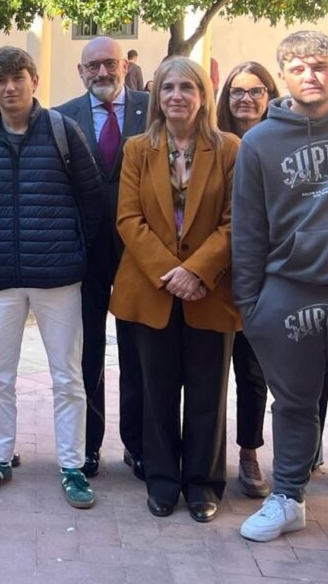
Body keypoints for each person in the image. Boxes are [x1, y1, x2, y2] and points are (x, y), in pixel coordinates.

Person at [0, 46, 104, 509]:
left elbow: (92, 199)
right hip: (0, 276)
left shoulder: (65, 132)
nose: (9, 88)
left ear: (34, 80)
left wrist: (80, 254)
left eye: (17, 78)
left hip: (58, 276)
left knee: (68, 376)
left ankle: (72, 466)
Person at [112, 57, 240, 523]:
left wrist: (198, 271)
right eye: (167, 88)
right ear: (156, 96)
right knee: (157, 391)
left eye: (187, 88)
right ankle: (163, 481)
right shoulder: (137, 150)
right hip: (152, 290)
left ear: (203, 95)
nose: (176, 97)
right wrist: (171, 271)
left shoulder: (229, 149)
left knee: (208, 393)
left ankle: (203, 484)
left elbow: (235, 221)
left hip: (211, 291)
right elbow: (128, 218)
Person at [234, 30, 328, 542]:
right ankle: (288, 497)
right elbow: (248, 229)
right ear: (285, 77)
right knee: (294, 402)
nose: (310, 75)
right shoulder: (259, 143)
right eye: (298, 68)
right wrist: (252, 307)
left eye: (320, 65)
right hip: (290, 289)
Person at [54, 36, 149, 480]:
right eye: (92, 67)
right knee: (87, 350)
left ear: (125, 66)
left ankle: (139, 444)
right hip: (86, 250)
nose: (101, 73)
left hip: (140, 250)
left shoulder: (153, 109)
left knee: (138, 350)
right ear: (80, 71)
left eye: (109, 64)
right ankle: (88, 446)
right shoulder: (62, 117)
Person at [215, 61, 280, 499]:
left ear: (269, 94)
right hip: (220, 276)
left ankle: (249, 453)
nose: (246, 99)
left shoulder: (281, 141)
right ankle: (208, 453)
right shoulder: (215, 144)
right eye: (237, 92)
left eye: (256, 91)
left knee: (253, 373)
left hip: (267, 275)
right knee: (212, 371)